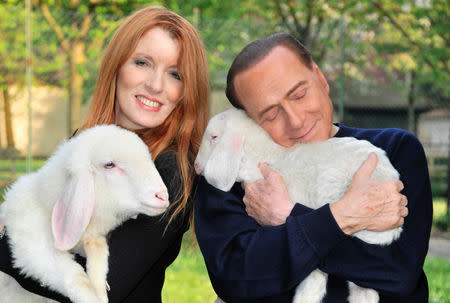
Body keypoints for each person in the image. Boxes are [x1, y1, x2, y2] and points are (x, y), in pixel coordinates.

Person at [195, 33, 432, 302]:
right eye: (271, 114)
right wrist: (342, 218)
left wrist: (289, 216)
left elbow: (398, 272)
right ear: (250, 120)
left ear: (320, 77)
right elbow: (235, 279)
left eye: (299, 94)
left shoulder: (392, 149)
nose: (295, 121)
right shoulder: (232, 176)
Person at [0, 6, 209, 303]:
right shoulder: (84, 143)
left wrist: (11, 236)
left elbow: (105, 286)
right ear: (117, 64)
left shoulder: (173, 169)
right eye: (142, 63)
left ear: (187, 90)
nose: (156, 85)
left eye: (175, 74)